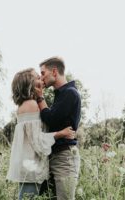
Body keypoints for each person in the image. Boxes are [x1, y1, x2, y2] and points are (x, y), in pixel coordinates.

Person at [6, 68, 75, 200]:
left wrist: (40, 97)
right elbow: (37, 141)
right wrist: (61, 133)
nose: (41, 79)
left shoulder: (31, 103)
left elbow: (48, 120)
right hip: (31, 170)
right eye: (38, 77)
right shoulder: (30, 105)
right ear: (29, 84)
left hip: (31, 167)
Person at [36, 57, 81, 200]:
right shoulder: (61, 94)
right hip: (55, 156)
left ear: (54, 72)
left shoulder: (70, 93)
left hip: (64, 158)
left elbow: (51, 120)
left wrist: (40, 97)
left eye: (43, 73)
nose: (41, 78)